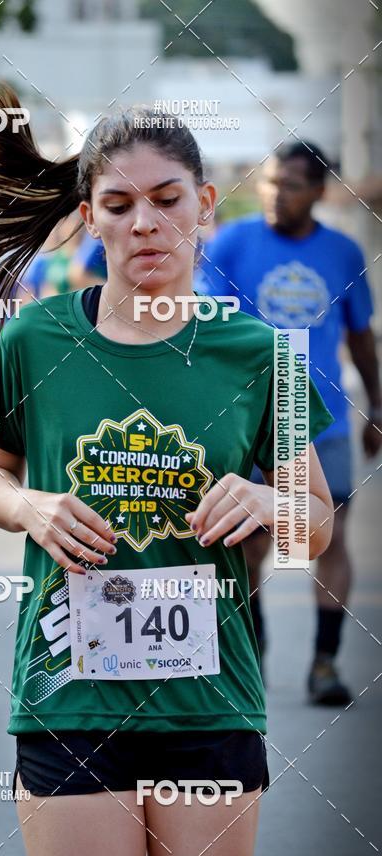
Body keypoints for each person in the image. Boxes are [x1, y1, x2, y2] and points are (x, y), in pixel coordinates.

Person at [0, 81, 335, 856]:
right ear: (89, 216)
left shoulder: (262, 354)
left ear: (205, 203)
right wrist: (30, 506)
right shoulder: (37, 339)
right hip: (66, 701)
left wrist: (269, 504)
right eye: (119, 203)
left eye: (167, 199)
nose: (145, 222)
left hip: (209, 709)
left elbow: (316, 524)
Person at [199, 141, 381, 705]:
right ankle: (253, 662)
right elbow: (206, 329)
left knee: (327, 540)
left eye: (293, 185)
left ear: (320, 192)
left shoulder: (344, 253)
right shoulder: (231, 243)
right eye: (271, 182)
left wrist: (377, 406)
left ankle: (324, 665)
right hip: (247, 423)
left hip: (319, 422)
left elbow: (359, 336)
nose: (278, 194)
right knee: (249, 545)